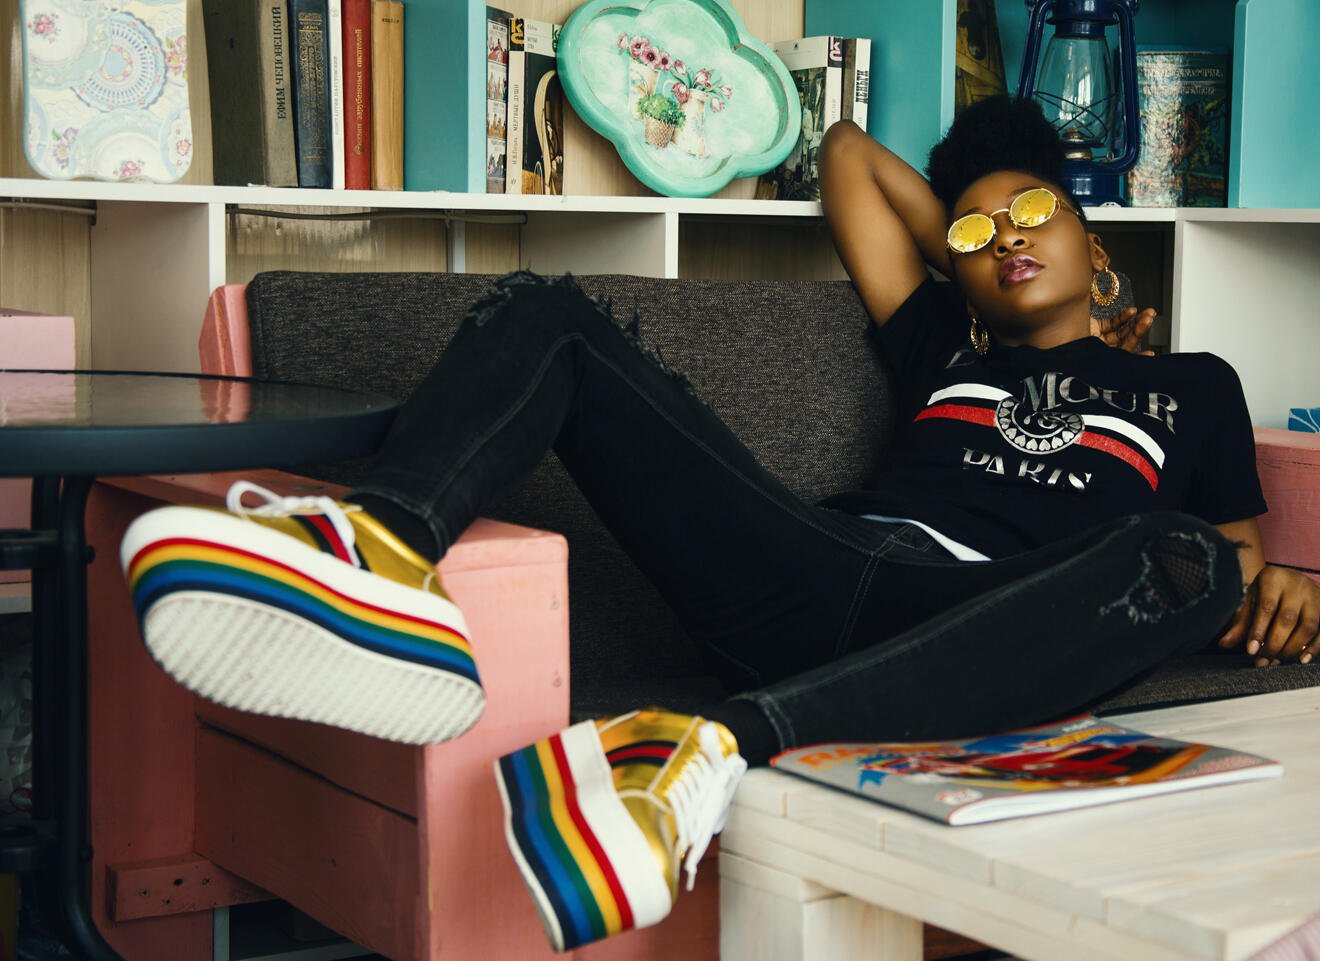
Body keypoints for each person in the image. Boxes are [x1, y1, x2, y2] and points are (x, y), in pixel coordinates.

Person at [119, 96, 1320, 952]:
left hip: (993, 619)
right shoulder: (941, 345)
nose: (1005, 234)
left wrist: (1282, 590)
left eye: (1034, 213)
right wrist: (975, 228)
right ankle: (380, 557)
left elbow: (1233, 569)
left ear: (1095, 243)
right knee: (546, 311)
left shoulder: (1192, 387)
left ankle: (701, 751)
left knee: (1182, 559)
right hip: (827, 569)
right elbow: (846, 154)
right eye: (973, 229)